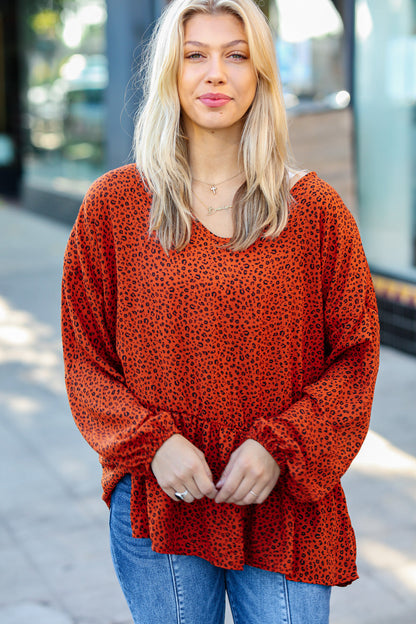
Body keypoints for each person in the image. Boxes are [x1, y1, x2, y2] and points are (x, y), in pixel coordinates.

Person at [61, 0, 380, 622]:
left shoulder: (314, 212)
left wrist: (279, 448)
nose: (215, 73)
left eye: (236, 56)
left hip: (285, 507)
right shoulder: (113, 208)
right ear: (169, 75)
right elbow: (85, 360)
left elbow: (357, 357)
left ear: (260, 75)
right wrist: (151, 443)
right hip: (164, 508)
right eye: (195, 55)